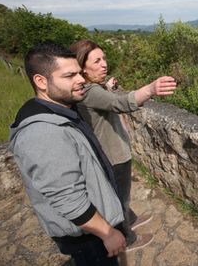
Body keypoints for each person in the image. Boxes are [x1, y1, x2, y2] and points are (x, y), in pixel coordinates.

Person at [9, 43, 126, 266]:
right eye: (69, 75)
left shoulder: (61, 109)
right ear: (41, 81)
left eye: (79, 73)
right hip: (89, 237)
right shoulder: (43, 132)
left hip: (91, 232)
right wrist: (107, 233)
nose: (81, 79)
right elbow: (67, 197)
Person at [69, 40, 177, 250]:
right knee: (119, 198)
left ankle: (129, 218)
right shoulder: (89, 91)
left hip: (112, 151)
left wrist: (107, 87)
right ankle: (126, 237)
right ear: (82, 67)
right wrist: (151, 89)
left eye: (104, 58)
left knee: (121, 194)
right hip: (113, 155)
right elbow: (119, 103)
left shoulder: (88, 90)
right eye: (97, 61)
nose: (104, 64)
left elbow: (103, 99)